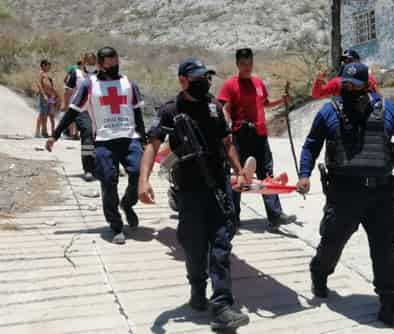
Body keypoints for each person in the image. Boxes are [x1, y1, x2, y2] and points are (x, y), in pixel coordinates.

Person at [297, 63, 394, 332]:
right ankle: (320, 272)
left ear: (366, 86)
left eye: (353, 86)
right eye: (343, 85)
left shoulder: (388, 110)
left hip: (381, 194)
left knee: (385, 247)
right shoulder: (329, 111)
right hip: (343, 193)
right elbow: (312, 144)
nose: (346, 90)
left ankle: (391, 306)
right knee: (332, 242)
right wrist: (304, 174)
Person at [139, 58, 250, 331]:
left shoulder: (214, 106)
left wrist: (240, 171)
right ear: (183, 80)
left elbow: (227, 142)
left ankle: (222, 305)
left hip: (218, 187)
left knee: (222, 245)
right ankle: (198, 292)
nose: (204, 82)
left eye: (206, 78)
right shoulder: (170, 110)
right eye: (198, 78)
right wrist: (144, 181)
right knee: (193, 245)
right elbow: (152, 146)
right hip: (189, 191)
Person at [46, 47, 146, 245]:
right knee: (109, 181)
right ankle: (116, 224)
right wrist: (55, 135)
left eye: (116, 63)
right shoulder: (89, 85)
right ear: (100, 65)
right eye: (109, 65)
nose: (113, 68)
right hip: (104, 141)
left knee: (137, 174)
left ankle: (127, 204)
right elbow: (73, 112)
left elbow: (137, 114)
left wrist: (143, 139)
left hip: (129, 138)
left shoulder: (128, 83)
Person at [218, 48, 297, 231]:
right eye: (244, 64)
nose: (247, 67)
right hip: (240, 135)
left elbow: (265, 103)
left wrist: (281, 101)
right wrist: (226, 129)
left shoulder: (258, 83)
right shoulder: (230, 85)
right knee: (239, 175)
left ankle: (275, 215)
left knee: (267, 174)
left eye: (250, 63)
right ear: (237, 64)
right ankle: (232, 218)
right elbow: (224, 108)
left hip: (260, 135)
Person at [61, 52, 98, 181]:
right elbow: (68, 91)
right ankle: (88, 169)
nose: (91, 66)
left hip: (97, 110)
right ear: (83, 62)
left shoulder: (100, 75)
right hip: (81, 110)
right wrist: (65, 105)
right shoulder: (76, 74)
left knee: (98, 138)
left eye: (93, 63)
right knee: (87, 135)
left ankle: (99, 165)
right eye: (89, 63)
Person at [312, 49, 377, 99]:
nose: (345, 63)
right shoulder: (336, 82)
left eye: (349, 60)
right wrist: (319, 80)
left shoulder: (369, 79)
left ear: (358, 61)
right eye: (344, 61)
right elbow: (317, 94)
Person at [36, 59, 58, 137]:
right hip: (44, 96)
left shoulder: (46, 74)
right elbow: (39, 84)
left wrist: (54, 94)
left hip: (50, 97)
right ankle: (41, 132)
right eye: (48, 65)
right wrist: (44, 94)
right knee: (43, 114)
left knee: (50, 114)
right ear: (43, 65)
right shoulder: (41, 74)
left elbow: (50, 86)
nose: (49, 67)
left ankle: (47, 132)